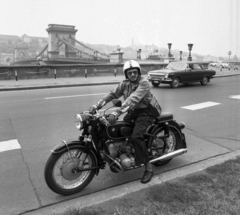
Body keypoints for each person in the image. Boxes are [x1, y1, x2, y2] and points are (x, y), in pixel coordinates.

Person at [89, 60, 162, 184]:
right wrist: (97, 105)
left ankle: (148, 168)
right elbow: (112, 94)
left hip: (147, 112)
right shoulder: (125, 84)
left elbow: (132, 99)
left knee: (136, 136)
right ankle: (123, 151)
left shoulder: (144, 83)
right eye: (129, 73)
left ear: (138, 72)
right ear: (126, 74)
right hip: (134, 112)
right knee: (120, 129)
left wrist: (117, 112)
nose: (132, 75)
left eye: (134, 72)